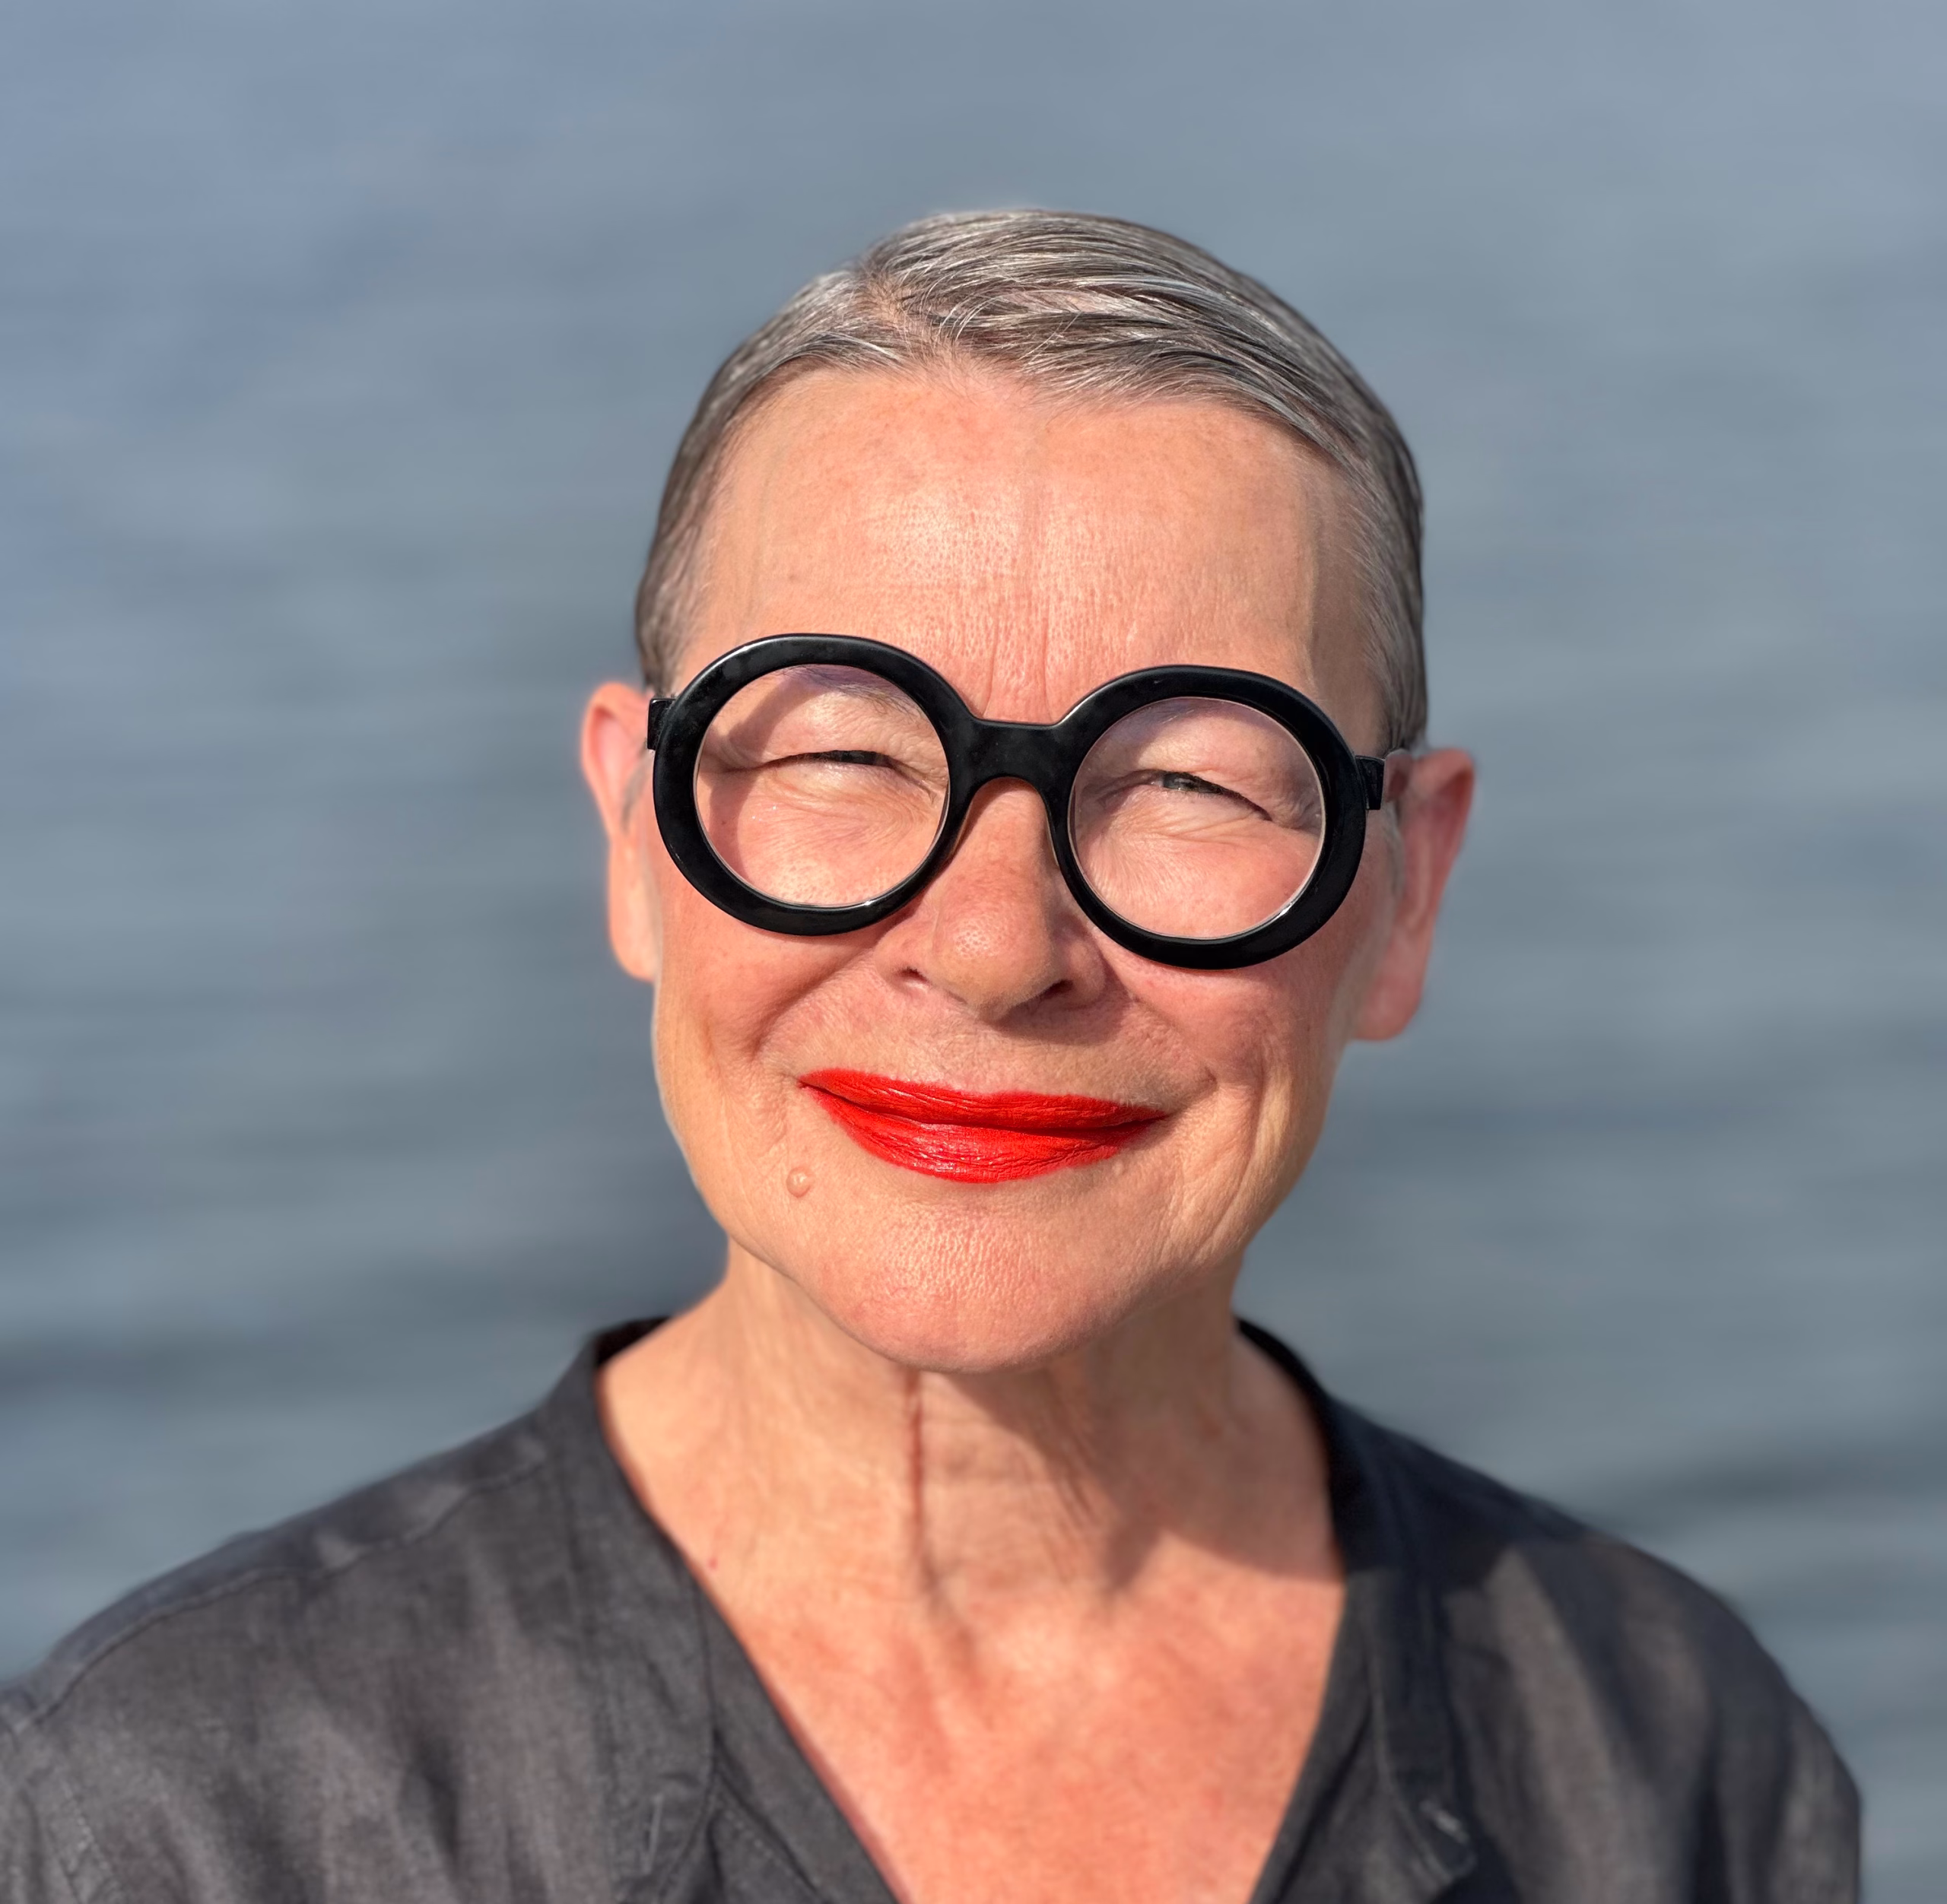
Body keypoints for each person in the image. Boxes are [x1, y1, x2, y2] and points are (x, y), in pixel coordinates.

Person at [0, 210, 1856, 1903]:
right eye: (835, 751)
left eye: (1189, 781)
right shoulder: (174, 1815)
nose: (987, 949)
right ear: (636, 840)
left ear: (1404, 892)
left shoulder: (1666, 1765)